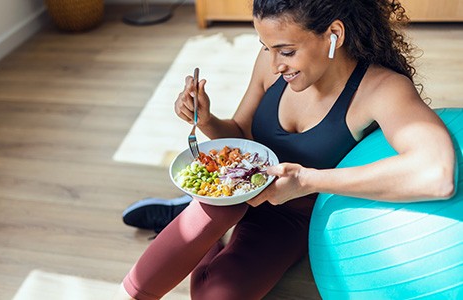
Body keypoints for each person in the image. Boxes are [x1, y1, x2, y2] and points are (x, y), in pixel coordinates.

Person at [114, 0, 456, 299]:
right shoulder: (270, 65)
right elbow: (239, 135)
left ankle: (190, 225)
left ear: (333, 33)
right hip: (234, 195)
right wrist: (205, 119)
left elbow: (437, 176)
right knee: (222, 211)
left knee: (214, 295)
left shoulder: (382, 90)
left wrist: (307, 181)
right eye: (266, 47)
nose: (275, 63)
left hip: (290, 216)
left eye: (286, 51)